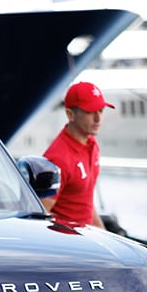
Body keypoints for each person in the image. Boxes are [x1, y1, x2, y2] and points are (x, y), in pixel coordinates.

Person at [41, 81, 114, 228]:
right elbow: (41, 214)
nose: (98, 118)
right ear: (70, 114)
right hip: (69, 244)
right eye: (90, 112)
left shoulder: (92, 144)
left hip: (88, 238)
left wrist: (103, 233)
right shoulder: (57, 159)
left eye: (101, 110)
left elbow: (83, 200)